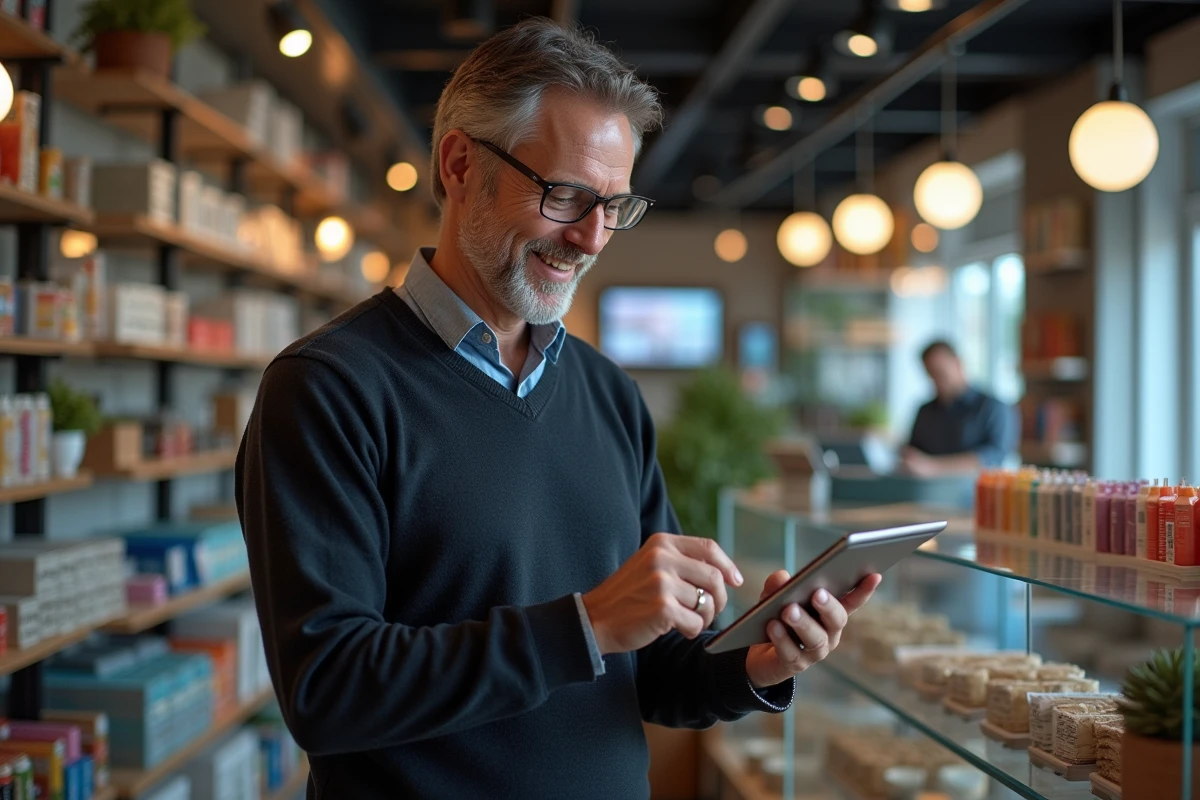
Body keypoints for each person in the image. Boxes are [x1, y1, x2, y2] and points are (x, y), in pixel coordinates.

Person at [236, 18, 879, 799]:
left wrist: (756, 661)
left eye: (614, 205)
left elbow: (649, 676)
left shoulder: (608, 394)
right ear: (461, 164)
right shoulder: (328, 388)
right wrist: (587, 623)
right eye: (566, 195)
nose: (593, 238)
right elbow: (327, 691)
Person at [901, 340, 1017, 477]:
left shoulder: (993, 408)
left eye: (940, 373)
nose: (936, 381)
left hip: (973, 494)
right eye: (930, 375)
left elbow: (993, 458)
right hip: (927, 494)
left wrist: (933, 467)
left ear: (958, 364)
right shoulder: (925, 411)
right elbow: (913, 452)